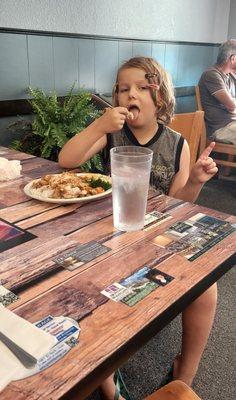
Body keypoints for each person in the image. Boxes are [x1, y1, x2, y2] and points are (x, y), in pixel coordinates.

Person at [59, 57, 218, 400]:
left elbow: (180, 201)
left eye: (139, 87)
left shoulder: (177, 144)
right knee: (86, 288)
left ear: (159, 97)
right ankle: (107, 381)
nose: (128, 94)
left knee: (207, 289)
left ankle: (184, 373)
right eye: (121, 88)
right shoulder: (113, 134)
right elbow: (67, 160)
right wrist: (98, 127)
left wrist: (196, 180)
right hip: (111, 234)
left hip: (156, 238)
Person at [199, 39, 236, 144]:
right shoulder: (211, 75)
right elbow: (231, 106)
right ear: (233, 58)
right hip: (221, 128)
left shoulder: (230, 75)